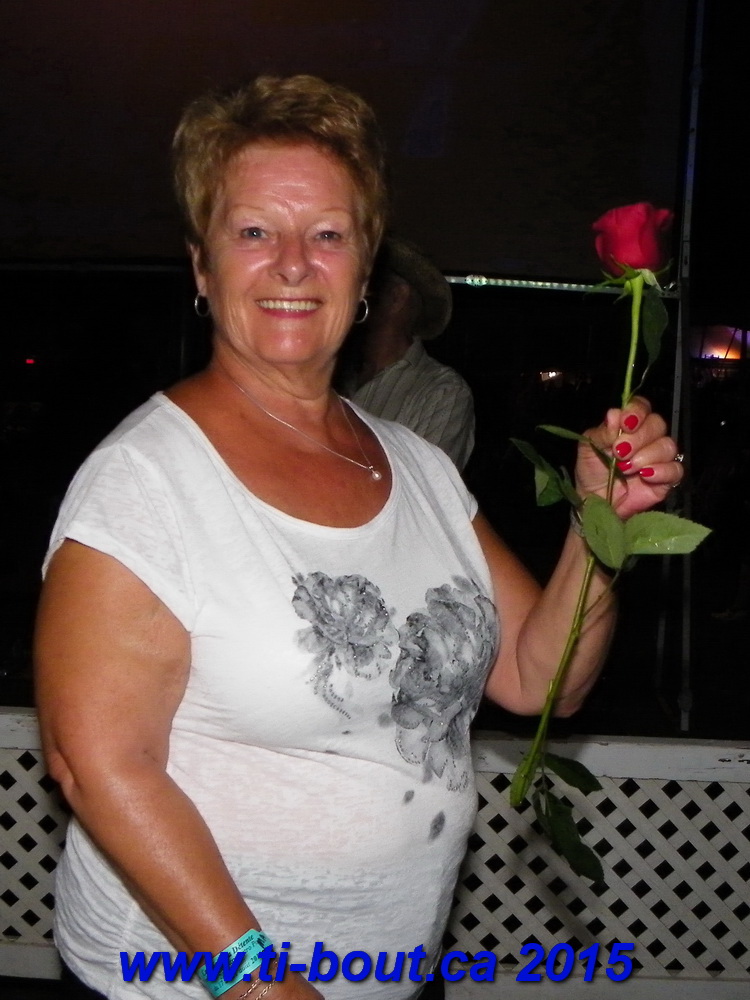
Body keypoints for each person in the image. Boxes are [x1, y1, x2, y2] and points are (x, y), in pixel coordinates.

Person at [34, 74, 684, 1000]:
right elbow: (98, 766)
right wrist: (264, 986)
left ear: (365, 269)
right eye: (253, 232)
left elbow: (545, 681)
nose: (293, 264)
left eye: (328, 235)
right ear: (201, 267)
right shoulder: (145, 479)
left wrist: (603, 524)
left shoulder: (419, 468)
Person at [343, 237, 475, 471]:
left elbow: (424, 484)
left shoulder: (442, 391)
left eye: (365, 283)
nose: (351, 294)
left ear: (396, 296)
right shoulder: (333, 378)